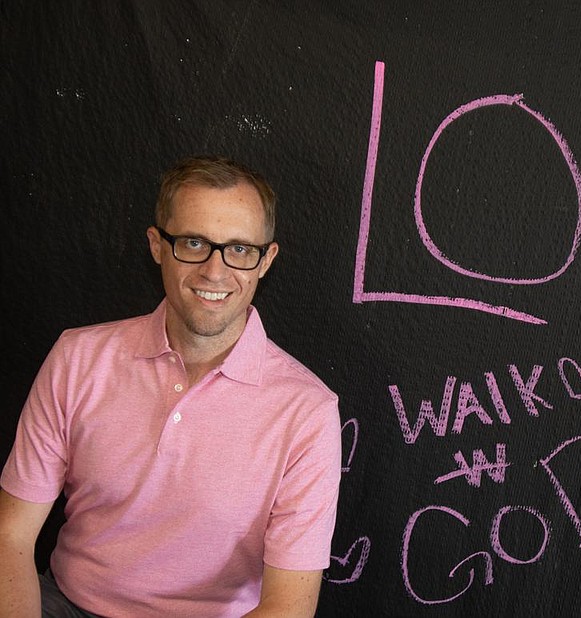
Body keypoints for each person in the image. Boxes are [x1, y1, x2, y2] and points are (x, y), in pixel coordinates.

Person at [0, 155, 342, 617]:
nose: (215, 272)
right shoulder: (76, 358)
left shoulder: (308, 411)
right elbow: (11, 535)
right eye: (194, 242)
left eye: (240, 249)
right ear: (157, 245)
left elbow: (288, 610)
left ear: (267, 260)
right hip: (64, 604)